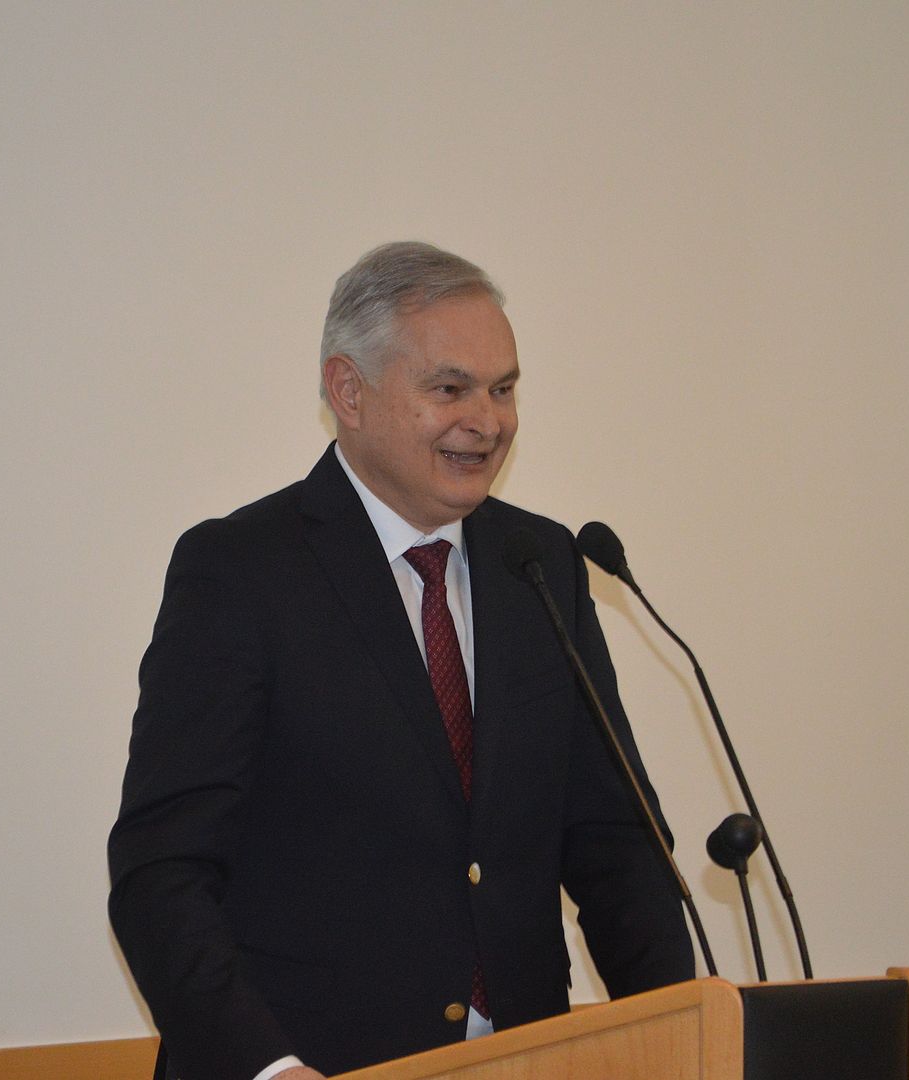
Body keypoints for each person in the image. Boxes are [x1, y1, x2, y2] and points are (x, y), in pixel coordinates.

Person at [108, 242, 693, 1080]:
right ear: (349, 391)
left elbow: (617, 846)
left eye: (503, 389)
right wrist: (267, 1069)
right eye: (450, 389)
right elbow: (162, 872)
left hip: (525, 1060)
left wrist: (682, 1041)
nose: (486, 421)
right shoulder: (241, 572)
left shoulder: (540, 564)